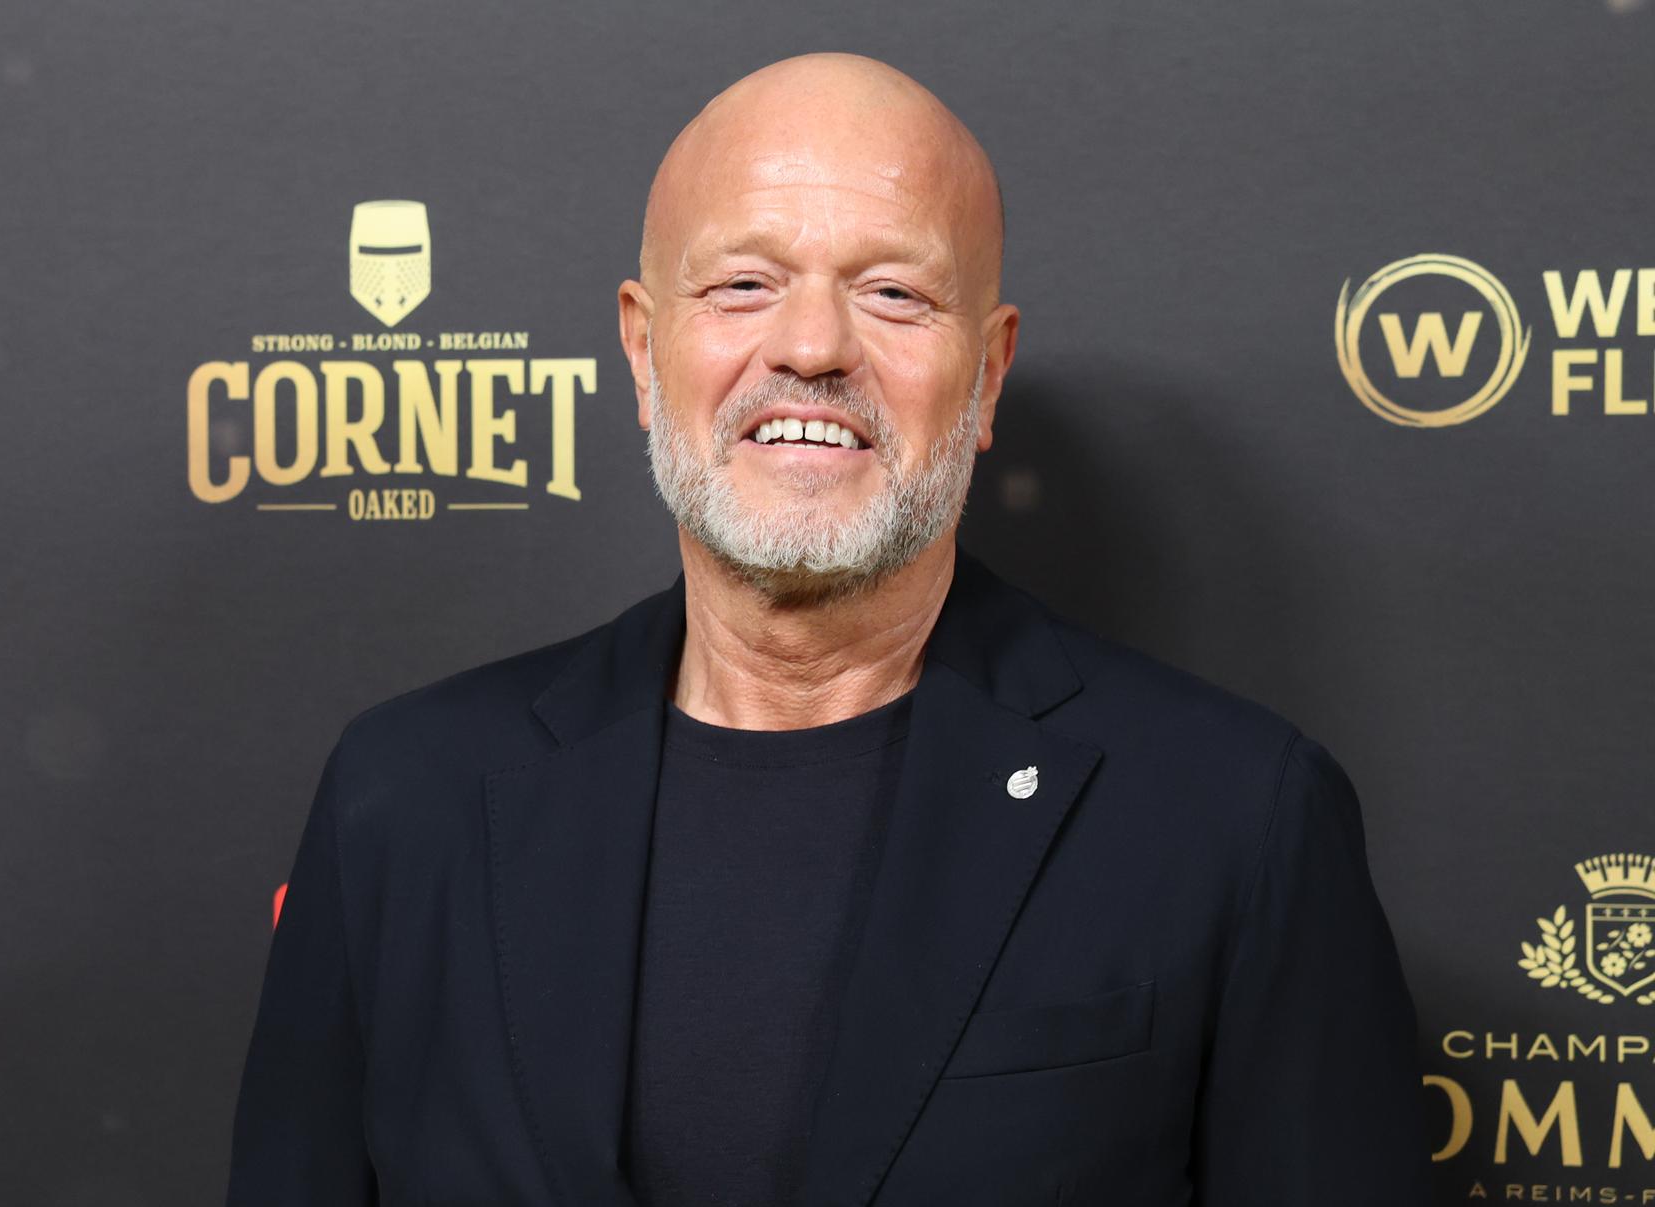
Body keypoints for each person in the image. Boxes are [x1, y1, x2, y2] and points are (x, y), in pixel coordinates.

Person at [225, 52, 1432, 1207]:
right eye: (743, 284)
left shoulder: (1234, 819)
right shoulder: (405, 799)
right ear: (644, 350)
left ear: (989, 372)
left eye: (894, 293)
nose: (810, 348)